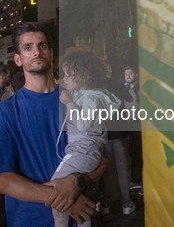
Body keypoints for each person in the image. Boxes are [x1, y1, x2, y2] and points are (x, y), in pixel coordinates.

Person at [0, 22, 96, 226]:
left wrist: (77, 181)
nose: (36, 52)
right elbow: (3, 181)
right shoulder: (6, 111)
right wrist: (66, 201)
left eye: (42, 46)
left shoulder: (80, 101)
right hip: (32, 220)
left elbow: (102, 158)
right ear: (18, 59)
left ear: (51, 53)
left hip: (81, 216)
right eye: (28, 47)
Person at [52, 52, 122, 226]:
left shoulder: (92, 98)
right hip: (83, 150)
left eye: (68, 74)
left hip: (84, 149)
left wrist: (68, 102)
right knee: (83, 201)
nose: (64, 78)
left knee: (56, 188)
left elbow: (83, 124)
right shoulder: (87, 95)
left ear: (83, 75)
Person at [123, 66, 143, 189]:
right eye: (126, 74)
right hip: (129, 125)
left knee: (139, 151)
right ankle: (136, 179)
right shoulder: (123, 90)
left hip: (140, 125)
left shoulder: (140, 89)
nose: (128, 76)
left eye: (130, 73)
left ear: (136, 74)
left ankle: (140, 178)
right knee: (132, 152)